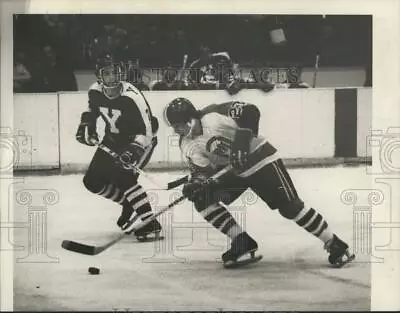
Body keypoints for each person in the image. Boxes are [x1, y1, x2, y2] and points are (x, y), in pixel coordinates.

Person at [163, 98, 355, 268]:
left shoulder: (213, 115)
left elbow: (250, 111)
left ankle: (334, 243)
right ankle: (241, 241)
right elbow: (203, 171)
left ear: (191, 118)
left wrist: (241, 144)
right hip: (235, 172)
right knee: (202, 198)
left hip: (261, 160)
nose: (177, 130)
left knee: (290, 208)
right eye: (174, 126)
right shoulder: (186, 144)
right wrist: (196, 183)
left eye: (179, 124)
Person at [75, 54, 162, 240]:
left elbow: (148, 131)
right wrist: (87, 125)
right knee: (91, 181)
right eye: (107, 73)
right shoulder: (95, 91)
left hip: (139, 140)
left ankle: (151, 223)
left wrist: (133, 150)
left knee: (124, 177)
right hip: (112, 139)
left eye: (116, 72)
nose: (113, 77)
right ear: (99, 76)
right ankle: (130, 203)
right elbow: (93, 110)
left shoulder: (132, 96)